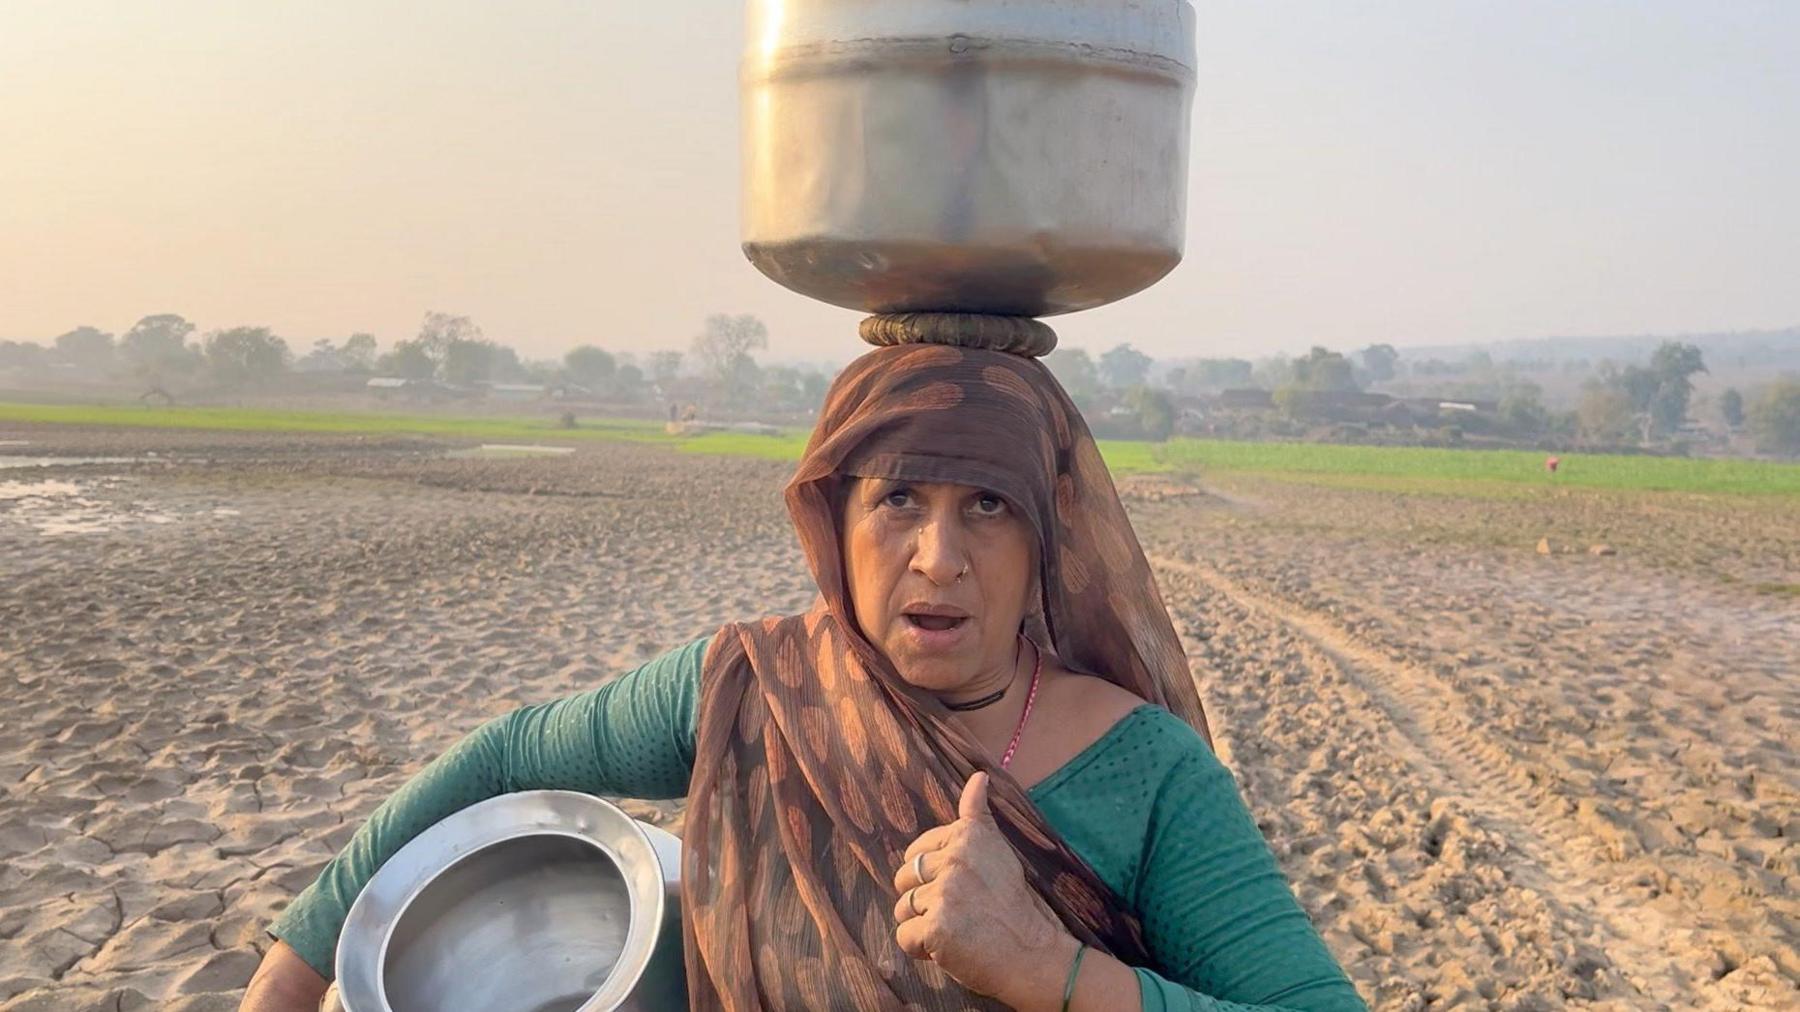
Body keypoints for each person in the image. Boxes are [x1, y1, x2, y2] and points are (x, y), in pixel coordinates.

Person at [242, 342, 1367, 1011]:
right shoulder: (753, 690)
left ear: (1047, 545)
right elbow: (505, 760)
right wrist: (291, 978)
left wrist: (1049, 968)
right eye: (898, 501)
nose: (940, 557)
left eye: (989, 505)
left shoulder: (1150, 774)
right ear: (835, 524)